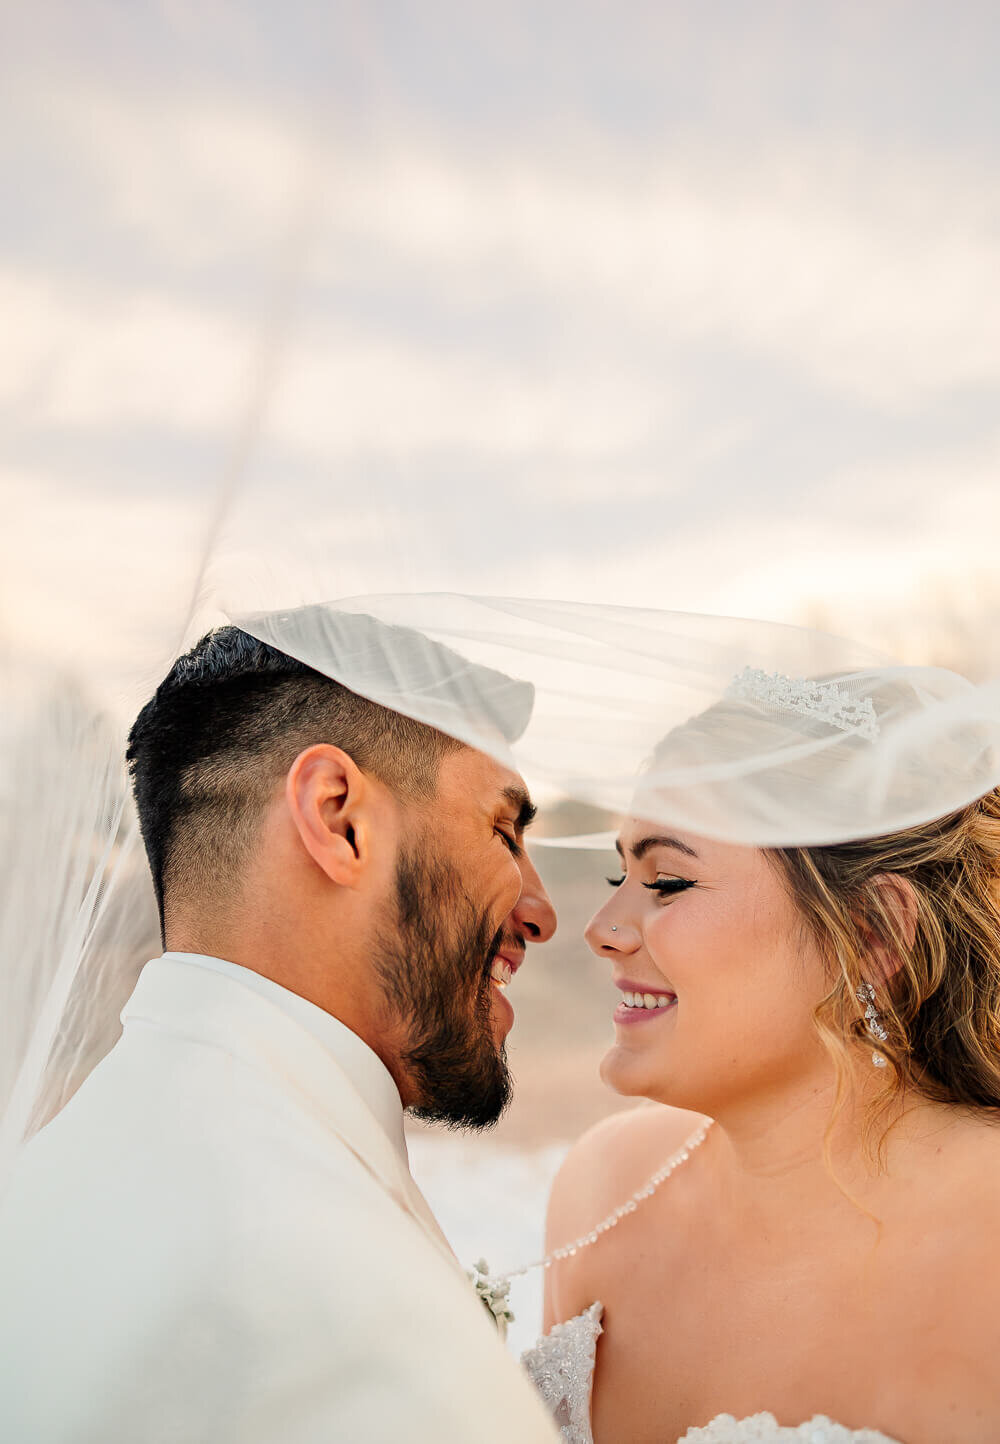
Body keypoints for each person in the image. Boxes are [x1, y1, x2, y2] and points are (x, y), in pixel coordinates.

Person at [0, 617, 561, 1443]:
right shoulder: (348, 1319)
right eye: (504, 831)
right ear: (338, 818)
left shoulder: (43, 1185)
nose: (541, 912)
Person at [527, 669, 1000, 1444]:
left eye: (668, 880)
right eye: (620, 874)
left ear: (875, 932)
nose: (603, 927)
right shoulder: (602, 1190)